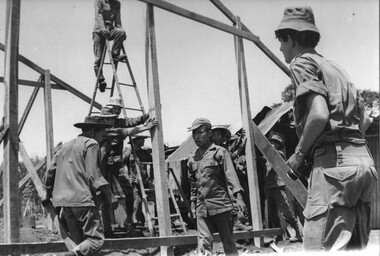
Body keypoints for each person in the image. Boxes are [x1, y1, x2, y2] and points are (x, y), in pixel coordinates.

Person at [275, 6, 377, 251]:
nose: (280, 48)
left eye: (281, 41)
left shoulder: (301, 63)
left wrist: (300, 154)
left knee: (317, 248)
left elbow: (319, 114)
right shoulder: (336, 69)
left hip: (334, 167)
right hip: (364, 165)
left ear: (291, 38)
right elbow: (366, 120)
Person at [42, 115, 114, 256]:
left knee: (78, 246)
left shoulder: (65, 146)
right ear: (94, 131)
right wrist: (110, 196)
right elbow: (95, 176)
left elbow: (50, 171)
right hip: (83, 200)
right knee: (96, 240)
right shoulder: (91, 143)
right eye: (102, 134)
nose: (102, 138)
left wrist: (47, 193)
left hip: (64, 204)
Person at [187, 118, 247, 256]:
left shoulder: (220, 152)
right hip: (201, 206)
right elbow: (193, 184)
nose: (196, 136)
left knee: (228, 242)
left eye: (200, 132)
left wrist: (239, 198)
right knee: (204, 242)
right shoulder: (192, 158)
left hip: (221, 204)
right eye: (194, 133)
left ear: (209, 133)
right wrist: (192, 204)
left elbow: (231, 176)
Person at [99, 97, 156, 236]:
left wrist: (149, 115)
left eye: (119, 109)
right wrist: (144, 127)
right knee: (103, 196)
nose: (117, 112)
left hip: (116, 162)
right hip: (101, 162)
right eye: (115, 109)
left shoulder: (119, 122)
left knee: (129, 191)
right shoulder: (101, 124)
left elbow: (133, 121)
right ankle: (106, 229)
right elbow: (126, 131)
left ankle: (129, 220)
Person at [265, 134, 302, 243]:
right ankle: (279, 235)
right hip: (269, 186)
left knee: (286, 210)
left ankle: (298, 233)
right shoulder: (267, 156)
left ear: (277, 145)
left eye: (274, 143)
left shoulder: (278, 154)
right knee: (273, 214)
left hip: (278, 186)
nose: (271, 144)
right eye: (270, 142)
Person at [93, 0, 127, 92]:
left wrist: (121, 34)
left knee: (121, 32)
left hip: (110, 30)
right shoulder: (99, 1)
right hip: (99, 31)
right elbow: (98, 17)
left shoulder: (117, 4)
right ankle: (101, 80)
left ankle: (115, 55)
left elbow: (118, 21)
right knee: (99, 58)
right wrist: (103, 30)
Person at [123, 135, 154, 227]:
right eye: (141, 139)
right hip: (134, 183)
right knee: (138, 201)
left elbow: (153, 164)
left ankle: (139, 222)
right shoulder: (128, 153)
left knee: (142, 202)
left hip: (144, 182)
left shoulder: (145, 153)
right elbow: (119, 164)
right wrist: (127, 177)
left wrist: (151, 178)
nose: (143, 141)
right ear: (135, 141)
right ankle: (134, 221)